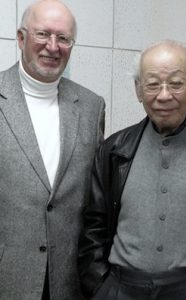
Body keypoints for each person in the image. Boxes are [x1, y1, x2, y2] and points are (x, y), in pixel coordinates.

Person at [78, 39, 186, 300]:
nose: (164, 95)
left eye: (177, 83)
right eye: (153, 84)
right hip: (119, 289)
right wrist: (100, 286)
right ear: (138, 90)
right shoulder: (114, 150)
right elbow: (93, 226)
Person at [0, 0, 105, 299]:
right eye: (42, 34)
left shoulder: (91, 106)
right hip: (8, 276)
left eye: (63, 38)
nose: (53, 46)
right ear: (21, 38)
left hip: (70, 280)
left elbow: (94, 200)